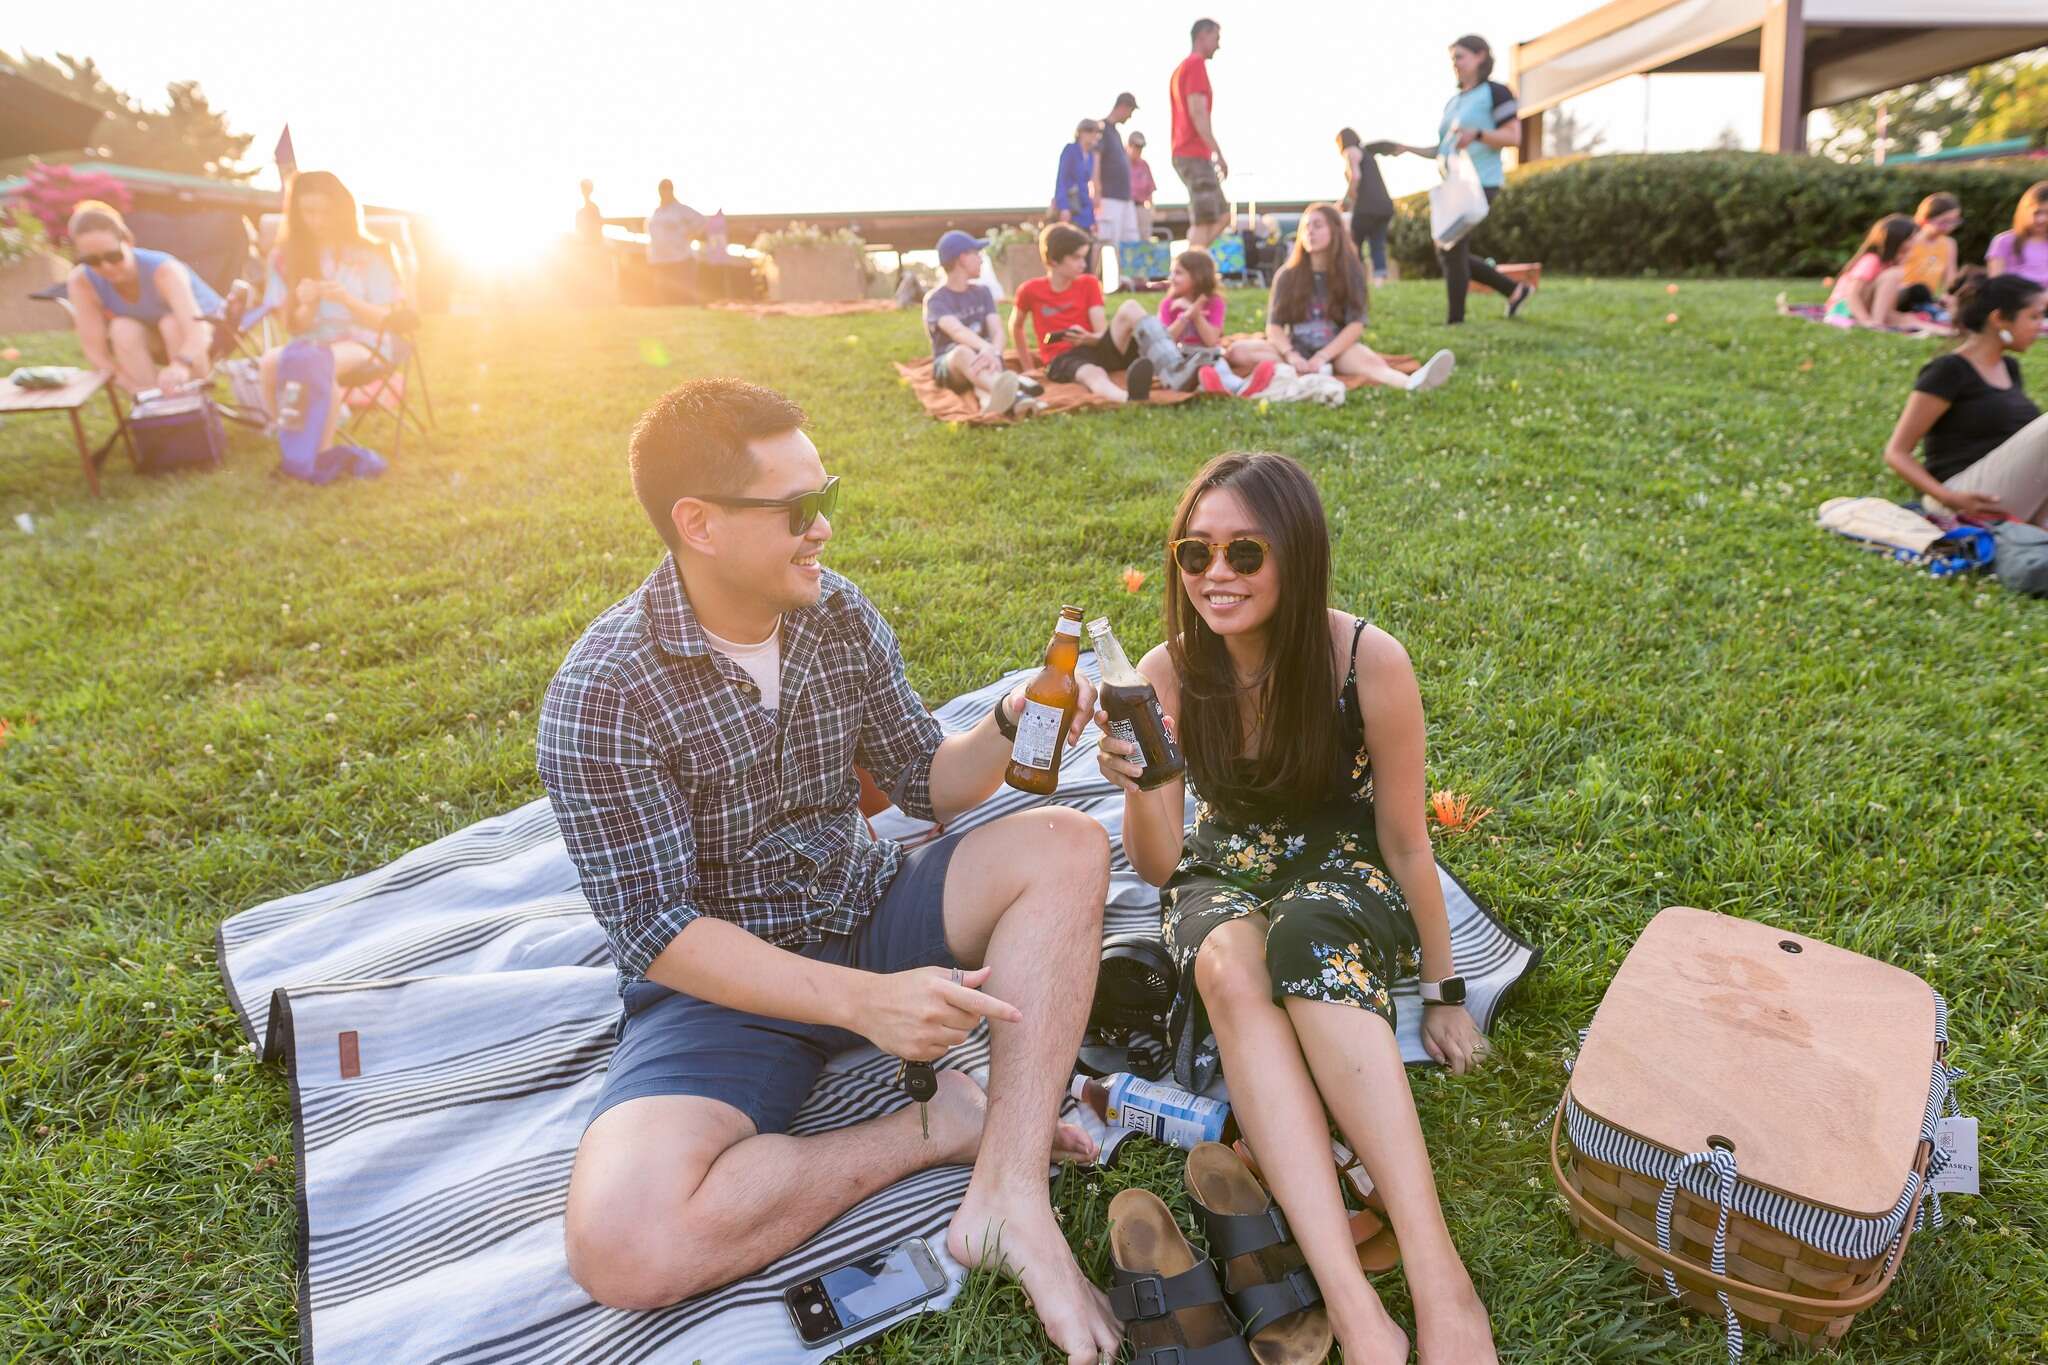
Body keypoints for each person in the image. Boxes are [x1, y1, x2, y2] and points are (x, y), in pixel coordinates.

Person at [538, 378, 1125, 1364]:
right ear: (699, 523)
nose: (823, 528)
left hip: (865, 903)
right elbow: (656, 931)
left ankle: (1009, 1189)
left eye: (827, 496)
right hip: (721, 988)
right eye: (799, 508)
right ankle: (937, 1126)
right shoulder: (602, 693)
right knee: (623, 1244)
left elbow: (924, 779)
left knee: (1066, 842)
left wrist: (1007, 722)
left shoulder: (835, 613)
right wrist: (866, 1004)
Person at [1097, 450, 1499, 1365]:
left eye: (1245, 552)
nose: (1217, 575)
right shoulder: (1166, 671)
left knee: (1308, 936)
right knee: (1230, 965)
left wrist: (1443, 992)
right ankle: (1354, 1308)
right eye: (1195, 553)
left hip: (1344, 872)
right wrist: (1141, 784)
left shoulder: (1366, 660)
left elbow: (1407, 842)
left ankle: (1439, 1277)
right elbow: (1158, 863)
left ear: (1298, 553)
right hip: (1220, 874)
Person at [1224, 204, 1455, 394]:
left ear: (1335, 231)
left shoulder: (1351, 272)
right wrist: (1292, 356)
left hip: (1337, 352)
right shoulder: (1286, 275)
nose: (1310, 232)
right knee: (1238, 351)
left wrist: (1323, 356)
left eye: (1318, 226)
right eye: (1306, 227)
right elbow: (1274, 327)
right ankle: (1301, 370)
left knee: (1370, 362)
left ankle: (1412, 383)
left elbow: (1356, 325)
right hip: (1294, 350)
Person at [1882, 271, 2048, 528]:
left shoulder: (2009, 368)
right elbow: (1896, 452)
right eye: (2034, 316)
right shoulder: (1949, 370)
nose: (2041, 325)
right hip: (1960, 496)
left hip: (2009, 493)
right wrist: (1949, 498)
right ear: (1999, 319)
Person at [258, 171, 407, 454]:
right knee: (269, 363)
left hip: (366, 341)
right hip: (310, 341)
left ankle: (320, 452)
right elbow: (293, 327)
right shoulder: (284, 257)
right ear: (296, 213)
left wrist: (347, 300)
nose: (318, 220)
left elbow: (387, 320)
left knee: (318, 364)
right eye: (308, 212)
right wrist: (309, 304)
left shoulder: (372, 253)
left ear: (342, 210)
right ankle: (288, 436)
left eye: (326, 212)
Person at [1399, 35, 1533, 324]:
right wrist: (1406, 149)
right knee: (1448, 248)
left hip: (1481, 182)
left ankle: (1455, 321)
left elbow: (1513, 136)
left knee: (1452, 245)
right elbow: (1442, 149)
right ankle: (1514, 290)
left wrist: (1478, 134)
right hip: (1453, 185)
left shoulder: (1495, 92)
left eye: (1460, 57)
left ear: (1480, 56)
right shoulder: (1454, 102)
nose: (1455, 64)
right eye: (1453, 59)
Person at [61, 201, 221, 396]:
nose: (106, 267)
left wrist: (180, 365)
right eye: (92, 261)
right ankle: (151, 401)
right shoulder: (82, 280)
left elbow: (198, 331)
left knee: (171, 324)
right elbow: (94, 351)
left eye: (113, 256)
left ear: (128, 242)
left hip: (208, 332)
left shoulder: (164, 270)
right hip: (154, 335)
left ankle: (191, 399)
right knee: (122, 328)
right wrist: (128, 384)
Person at [1010, 222, 1174, 401]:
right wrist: (1027, 367)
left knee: (1131, 307)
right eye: (1076, 258)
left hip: (1096, 347)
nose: (1083, 264)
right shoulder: (1030, 290)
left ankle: (1173, 364)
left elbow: (1101, 332)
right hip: (1063, 358)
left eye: (1084, 257)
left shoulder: (1089, 283)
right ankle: (1127, 398)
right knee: (1092, 373)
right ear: (1054, 260)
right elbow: (1016, 326)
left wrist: (1088, 338)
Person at [925, 230, 1022, 415]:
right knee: (963, 351)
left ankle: (994, 403)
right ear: (962, 259)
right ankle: (1012, 394)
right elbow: (957, 331)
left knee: (983, 367)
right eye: (977, 254)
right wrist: (986, 348)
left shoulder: (983, 292)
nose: (981, 260)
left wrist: (994, 352)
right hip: (952, 366)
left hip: (987, 360)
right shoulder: (936, 300)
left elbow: (997, 331)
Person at [1170, 19, 1231, 249]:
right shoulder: (1195, 65)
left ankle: (1192, 260)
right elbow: (1198, 114)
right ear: (1202, 35)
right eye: (1216, 38)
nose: (1218, 45)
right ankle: (1190, 264)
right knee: (1207, 220)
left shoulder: (1183, 68)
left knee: (1221, 216)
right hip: (1193, 153)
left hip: (1190, 153)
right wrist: (1218, 153)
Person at [1823, 214, 1936, 331]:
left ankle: (1883, 321)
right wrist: (1866, 320)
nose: (1915, 241)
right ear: (1897, 240)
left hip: (1862, 308)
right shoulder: (1871, 260)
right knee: (1893, 275)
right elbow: (1852, 294)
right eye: (1911, 238)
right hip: (1843, 309)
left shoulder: (1889, 263)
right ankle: (1878, 323)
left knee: (1910, 319)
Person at [1093, 93, 1140, 291]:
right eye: (1130, 111)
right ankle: (1093, 283)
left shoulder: (1116, 133)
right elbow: (1095, 160)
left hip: (1124, 197)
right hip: (1109, 196)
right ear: (1123, 106)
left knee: (1128, 240)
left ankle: (1126, 281)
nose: (1130, 116)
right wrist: (1096, 191)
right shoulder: (1102, 129)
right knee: (1105, 239)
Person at [1339, 129, 1395, 286]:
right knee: (1377, 244)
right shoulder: (1367, 154)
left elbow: (1356, 176)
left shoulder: (1351, 151)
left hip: (1366, 208)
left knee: (1354, 243)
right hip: (1384, 206)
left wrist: (1346, 200)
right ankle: (1379, 283)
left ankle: (1357, 281)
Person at [1896, 192, 1962, 315]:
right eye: (1944, 222)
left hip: (1929, 299)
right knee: (1918, 291)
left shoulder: (1949, 244)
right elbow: (1894, 273)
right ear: (1926, 219)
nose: (1949, 227)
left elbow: (1951, 279)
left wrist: (1949, 297)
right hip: (1904, 294)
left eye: (1954, 221)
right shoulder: (1911, 241)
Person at [646, 178, 705, 304]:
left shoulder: (680, 209)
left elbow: (700, 220)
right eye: (662, 189)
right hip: (661, 259)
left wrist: (690, 234)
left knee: (682, 293)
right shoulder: (657, 211)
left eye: (667, 189)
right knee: (664, 293)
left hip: (681, 258)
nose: (664, 192)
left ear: (672, 190)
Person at [1987, 181, 2048, 288]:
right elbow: (1996, 286)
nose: (2041, 219)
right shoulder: (2003, 241)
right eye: (2037, 212)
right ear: (2025, 211)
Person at [1053, 120, 1101, 236]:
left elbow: (1090, 183)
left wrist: (1093, 218)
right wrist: (1064, 207)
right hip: (1071, 206)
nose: (1093, 134)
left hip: (1084, 207)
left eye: (1096, 131)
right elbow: (1061, 180)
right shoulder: (1070, 150)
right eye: (1089, 130)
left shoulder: (1091, 155)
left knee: (1087, 240)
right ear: (1080, 132)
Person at [1128, 131, 1159, 244]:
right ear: (1129, 145)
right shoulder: (1122, 163)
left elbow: (1150, 189)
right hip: (1127, 206)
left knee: (1145, 239)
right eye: (1136, 147)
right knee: (1129, 239)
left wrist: (1151, 209)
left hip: (1141, 207)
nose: (1139, 150)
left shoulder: (1144, 165)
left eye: (1141, 147)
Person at [576, 179, 604, 243]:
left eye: (585, 188)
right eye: (583, 188)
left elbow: (598, 227)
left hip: (592, 242)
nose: (583, 191)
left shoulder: (593, 207)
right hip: (585, 242)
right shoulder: (581, 211)